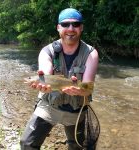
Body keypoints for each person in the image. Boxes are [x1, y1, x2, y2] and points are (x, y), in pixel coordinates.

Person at [20, 8, 99, 150]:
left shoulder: (91, 54)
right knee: (27, 144)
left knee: (77, 148)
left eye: (75, 24)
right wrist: (43, 84)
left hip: (76, 109)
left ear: (81, 28)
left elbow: (88, 88)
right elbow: (45, 72)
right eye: (65, 24)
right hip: (50, 106)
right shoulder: (47, 51)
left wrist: (80, 91)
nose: (70, 28)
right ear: (58, 28)